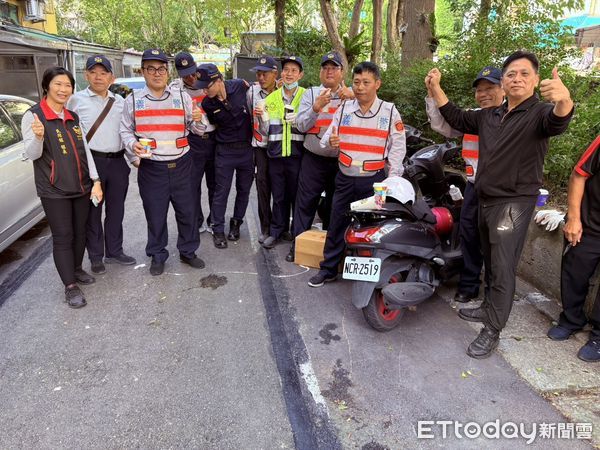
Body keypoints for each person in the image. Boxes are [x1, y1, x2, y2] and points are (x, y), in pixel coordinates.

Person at [427, 50, 574, 359]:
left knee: (504, 267)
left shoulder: (540, 114)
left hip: (513, 204)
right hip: (483, 197)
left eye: (523, 74)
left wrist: (564, 99)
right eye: (511, 74)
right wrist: (435, 88)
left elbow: (558, 121)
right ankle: (488, 307)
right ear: (503, 82)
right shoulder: (490, 115)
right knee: (490, 260)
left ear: (535, 80)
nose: (516, 78)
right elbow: (455, 116)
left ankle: (493, 329)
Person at [308, 61, 406, 287]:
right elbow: (326, 141)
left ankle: (369, 275)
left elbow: (398, 148)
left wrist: (393, 178)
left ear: (377, 84)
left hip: (376, 182)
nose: (360, 87)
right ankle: (329, 269)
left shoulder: (390, 111)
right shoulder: (343, 109)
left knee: (373, 227)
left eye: (366, 82)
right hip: (344, 178)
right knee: (336, 224)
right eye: (356, 82)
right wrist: (331, 142)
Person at [21, 66, 103, 308]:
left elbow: (85, 151)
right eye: (58, 84)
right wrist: (37, 136)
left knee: (80, 232)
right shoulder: (34, 115)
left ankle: (76, 269)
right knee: (63, 236)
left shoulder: (72, 116)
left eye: (67, 85)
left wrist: (96, 181)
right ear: (47, 86)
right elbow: (32, 154)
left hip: (81, 186)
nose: (63, 89)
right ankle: (70, 286)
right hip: (54, 189)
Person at [119, 48, 206, 276]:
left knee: (187, 212)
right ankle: (157, 255)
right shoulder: (134, 100)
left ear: (167, 72)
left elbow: (197, 129)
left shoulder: (182, 97)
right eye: (151, 69)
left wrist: (198, 119)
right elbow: (125, 130)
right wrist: (133, 149)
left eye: (161, 69)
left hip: (182, 164)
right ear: (143, 71)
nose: (157, 74)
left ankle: (188, 251)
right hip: (152, 168)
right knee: (155, 214)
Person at [425, 66, 504, 302]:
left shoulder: (511, 119)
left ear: (504, 89)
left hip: (500, 193)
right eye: (480, 90)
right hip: (473, 187)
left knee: (496, 243)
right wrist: (431, 94)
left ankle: (494, 292)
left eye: (490, 88)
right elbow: (443, 126)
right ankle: (469, 284)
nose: (484, 94)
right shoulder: (472, 117)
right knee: (469, 234)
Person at [67, 55, 136, 275]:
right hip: (91, 164)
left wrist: (134, 157)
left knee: (116, 210)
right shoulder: (75, 101)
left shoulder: (120, 102)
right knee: (93, 212)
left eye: (103, 72)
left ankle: (115, 251)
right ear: (86, 75)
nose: (98, 77)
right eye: (93, 72)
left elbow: (126, 132)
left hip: (117, 163)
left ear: (111, 77)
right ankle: (96, 256)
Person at [286, 51, 354, 262]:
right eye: (325, 68)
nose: (329, 71)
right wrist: (316, 107)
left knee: (336, 207)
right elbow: (302, 125)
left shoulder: (352, 95)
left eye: (334, 68)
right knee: (305, 203)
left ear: (342, 72)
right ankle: (298, 245)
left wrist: (352, 96)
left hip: (340, 162)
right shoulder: (311, 93)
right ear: (320, 72)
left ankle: (330, 250)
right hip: (313, 158)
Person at [547, 135, 600, 363]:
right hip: (589, 224)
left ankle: (598, 336)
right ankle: (571, 320)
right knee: (574, 274)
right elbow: (579, 175)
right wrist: (574, 218)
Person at [197, 63, 254, 249]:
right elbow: (214, 124)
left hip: (246, 150)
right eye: (203, 87)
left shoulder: (239, 85)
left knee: (243, 190)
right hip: (225, 151)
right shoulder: (207, 103)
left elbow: (257, 94)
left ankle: (236, 223)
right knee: (221, 192)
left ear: (219, 79)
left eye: (208, 85)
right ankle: (218, 229)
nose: (205, 90)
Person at [258, 56, 306, 249]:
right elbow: (264, 131)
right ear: (281, 73)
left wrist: (298, 121)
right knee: (278, 196)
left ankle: (297, 234)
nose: (289, 74)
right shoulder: (270, 99)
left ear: (300, 75)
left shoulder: (307, 96)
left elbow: (310, 124)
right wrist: (262, 119)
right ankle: (277, 231)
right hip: (276, 155)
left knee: (298, 196)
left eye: (294, 70)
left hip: (298, 155)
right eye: (286, 70)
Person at [171, 52, 216, 234]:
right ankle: (196, 221)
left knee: (214, 184)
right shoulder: (175, 89)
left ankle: (214, 220)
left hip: (213, 139)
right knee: (192, 184)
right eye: (185, 74)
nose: (190, 77)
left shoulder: (208, 81)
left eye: (192, 72)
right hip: (192, 141)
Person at [247, 55, 279, 243]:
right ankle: (265, 227)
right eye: (258, 74)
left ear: (275, 74)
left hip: (279, 146)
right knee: (263, 187)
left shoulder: (283, 92)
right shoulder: (252, 93)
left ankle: (280, 226)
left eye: (265, 74)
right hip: (260, 148)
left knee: (280, 188)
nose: (261, 78)